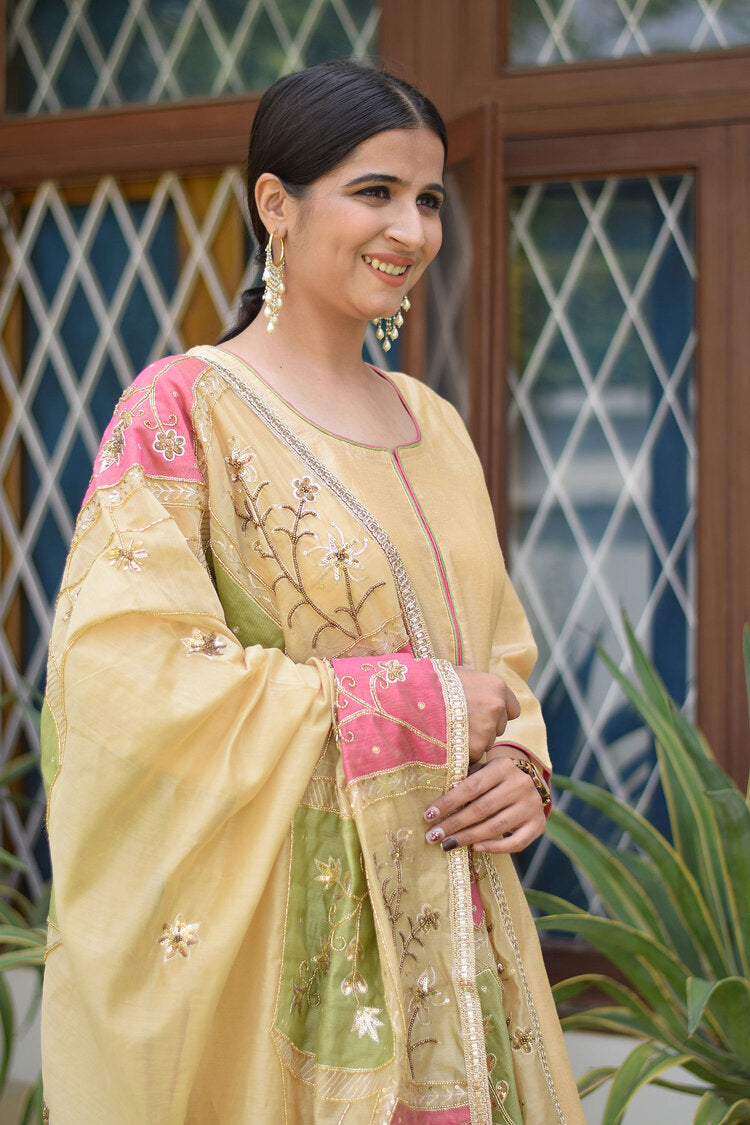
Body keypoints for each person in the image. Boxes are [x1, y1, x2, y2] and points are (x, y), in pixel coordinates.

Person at [40, 60, 585, 1124]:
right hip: (298, 957)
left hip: (466, 949)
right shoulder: (186, 411)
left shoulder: (435, 424)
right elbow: (122, 678)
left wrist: (523, 752)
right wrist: (415, 707)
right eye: (374, 192)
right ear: (276, 206)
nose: (413, 229)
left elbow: (497, 659)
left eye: (429, 199)